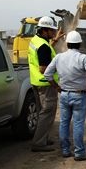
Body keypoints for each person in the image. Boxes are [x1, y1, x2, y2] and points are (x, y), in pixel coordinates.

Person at [44, 30, 86, 161]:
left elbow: (47, 74)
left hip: (64, 95)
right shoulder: (83, 58)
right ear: (79, 44)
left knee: (64, 123)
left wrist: (57, 87)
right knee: (78, 124)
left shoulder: (58, 57)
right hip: (79, 95)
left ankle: (65, 150)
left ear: (67, 43)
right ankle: (79, 153)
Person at [28, 16, 64, 152]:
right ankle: (38, 143)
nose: (54, 33)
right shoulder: (43, 46)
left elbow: (45, 51)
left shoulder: (36, 41)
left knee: (42, 111)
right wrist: (56, 85)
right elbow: (44, 69)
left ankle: (42, 139)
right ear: (45, 30)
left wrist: (55, 41)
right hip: (45, 85)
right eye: (52, 31)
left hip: (36, 82)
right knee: (47, 112)